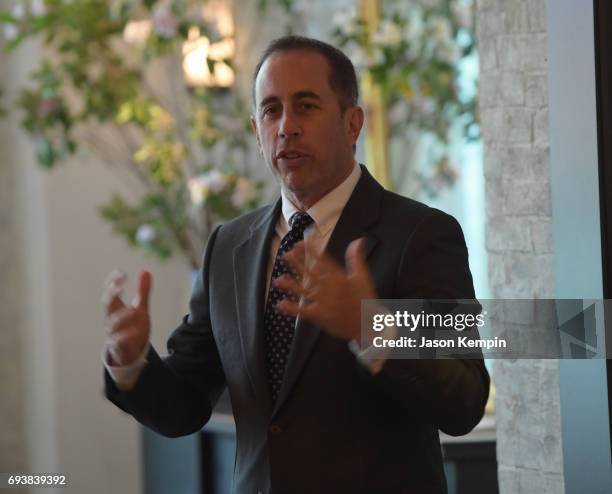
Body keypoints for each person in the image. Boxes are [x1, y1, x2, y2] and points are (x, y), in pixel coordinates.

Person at [102, 35, 489, 494]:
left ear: (352, 123)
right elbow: (184, 407)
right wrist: (131, 365)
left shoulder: (421, 234)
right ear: (255, 130)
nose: (286, 126)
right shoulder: (229, 247)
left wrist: (372, 328)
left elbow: (465, 401)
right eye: (271, 110)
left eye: (306, 106)